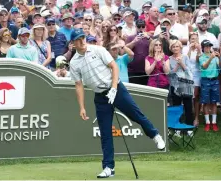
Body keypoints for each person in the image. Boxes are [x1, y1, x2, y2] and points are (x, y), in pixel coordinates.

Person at [69, 28, 165, 178]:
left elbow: (114, 66)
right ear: (73, 43)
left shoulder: (98, 50)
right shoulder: (74, 62)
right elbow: (78, 85)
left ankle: (155, 135)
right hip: (100, 97)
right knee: (105, 132)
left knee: (136, 115)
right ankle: (109, 167)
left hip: (116, 89)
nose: (82, 41)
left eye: (83, 37)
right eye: (78, 39)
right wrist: (81, 107)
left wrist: (113, 88)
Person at [199, 40, 221, 131]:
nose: (208, 48)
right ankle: (208, 123)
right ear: (203, 48)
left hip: (214, 80)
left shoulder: (215, 56)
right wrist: (211, 58)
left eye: (209, 46)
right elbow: (204, 66)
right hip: (205, 80)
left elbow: (220, 67)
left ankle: (214, 122)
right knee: (205, 102)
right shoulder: (201, 57)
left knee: (214, 102)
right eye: (206, 46)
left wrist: (219, 58)